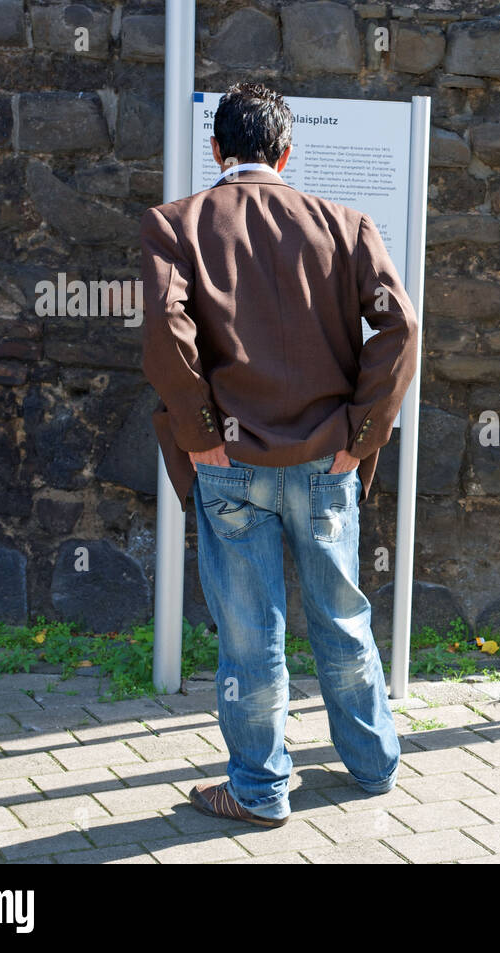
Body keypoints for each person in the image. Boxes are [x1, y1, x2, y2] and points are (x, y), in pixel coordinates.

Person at [140, 83, 419, 828]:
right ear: (287, 153)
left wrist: (200, 437)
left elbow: (167, 333)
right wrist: (363, 438)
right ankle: (373, 763)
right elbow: (401, 328)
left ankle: (261, 790)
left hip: (227, 464)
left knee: (249, 636)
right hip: (326, 461)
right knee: (343, 617)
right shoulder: (346, 224)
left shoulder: (176, 226)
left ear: (216, 150)